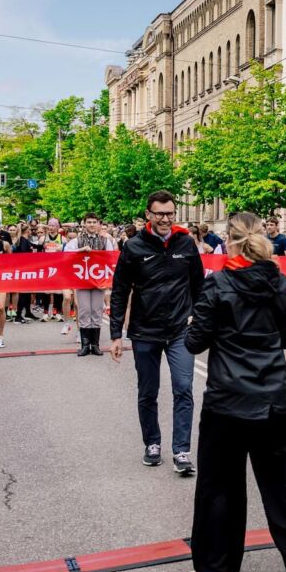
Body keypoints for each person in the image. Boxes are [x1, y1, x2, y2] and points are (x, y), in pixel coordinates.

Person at [183, 212, 286, 572]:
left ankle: (214, 570)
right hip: (273, 396)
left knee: (219, 486)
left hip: (227, 400)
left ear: (228, 242)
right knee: (285, 481)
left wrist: (199, 324)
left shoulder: (218, 284)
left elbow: (194, 342)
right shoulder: (278, 281)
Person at [109, 190, 205, 475]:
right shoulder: (133, 247)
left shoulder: (186, 243)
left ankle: (182, 451)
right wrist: (116, 334)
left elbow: (199, 286)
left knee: (184, 389)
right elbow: (119, 290)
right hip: (145, 331)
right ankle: (152, 443)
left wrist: (199, 318)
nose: (165, 219)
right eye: (160, 214)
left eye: (170, 213)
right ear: (148, 215)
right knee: (148, 392)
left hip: (180, 330)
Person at [64, 213, 115, 357]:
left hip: (99, 281)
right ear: (84, 224)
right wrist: (79, 251)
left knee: (97, 311)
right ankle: (85, 345)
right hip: (82, 280)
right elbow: (65, 255)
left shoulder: (106, 241)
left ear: (98, 224)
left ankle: (95, 345)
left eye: (94, 222)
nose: (92, 224)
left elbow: (111, 259)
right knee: (85, 310)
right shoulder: (76, 241)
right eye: (89, 222)